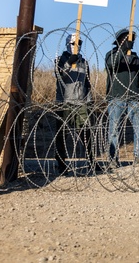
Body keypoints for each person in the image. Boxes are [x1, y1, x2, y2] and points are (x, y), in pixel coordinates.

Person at [105, 29, 139, 168]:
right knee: (114, 129)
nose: (130, 42)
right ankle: (113, 158)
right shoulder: (111, 54)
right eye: (127, 40)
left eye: (131, 40)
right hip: (116, 96)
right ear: (120, 41)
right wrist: (123, 50)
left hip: (133, 97)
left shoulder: (135, 57)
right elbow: (112, 65)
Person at [54, 34, 94, 174]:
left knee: (86, 133)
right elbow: (59, 75)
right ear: (67, 44)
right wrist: (69, 63)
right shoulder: (60, 60)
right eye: (73, 43)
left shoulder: (84, 62)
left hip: (81, 101)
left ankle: (91, 161)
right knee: (62, 134)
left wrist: (89, 100)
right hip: (64, 101)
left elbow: (87, 83)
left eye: (79, 43)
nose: (76, 46)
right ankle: (61, 164)